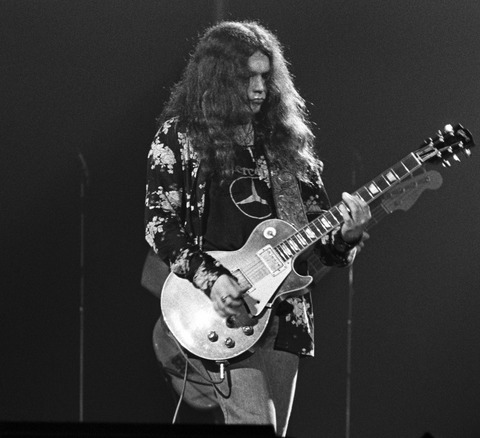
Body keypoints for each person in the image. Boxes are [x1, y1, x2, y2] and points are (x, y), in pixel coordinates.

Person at [143, 21, 370, 436]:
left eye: (266, 77)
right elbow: (161, 226)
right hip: (220, 310)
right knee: (255, 425)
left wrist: (346, 237)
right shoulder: (181, 136)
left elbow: (318, 247)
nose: (260, 88)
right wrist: (212, 279)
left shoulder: (285, 144)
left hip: (286, 315)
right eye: (248, 77)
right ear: (219, 78)